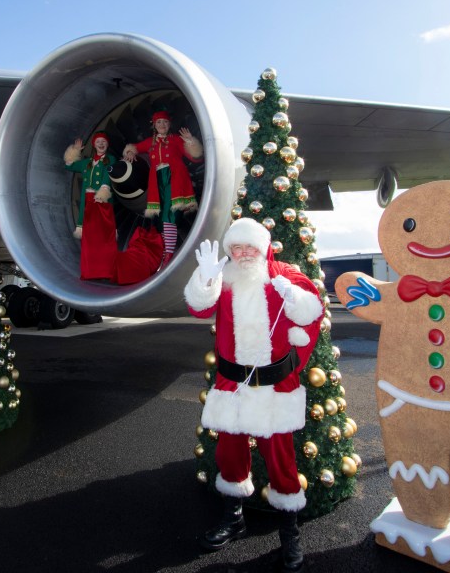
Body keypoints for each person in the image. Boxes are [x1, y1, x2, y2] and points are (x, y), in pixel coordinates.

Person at [183, 218, 325, 573]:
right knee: (229, 455)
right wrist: (205, 278)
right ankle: (233, 519)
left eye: (249, 248)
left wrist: (294, 299)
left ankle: (289, 533)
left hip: (274, 387)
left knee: (282, 460)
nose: (243, 254)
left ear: (263, 248)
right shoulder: (224, 279)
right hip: (233, 386)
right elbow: (198, 307)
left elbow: (311, 312)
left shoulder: (284, 275)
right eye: (237, 248)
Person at [122, 110, 202, 267]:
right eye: (159, 122)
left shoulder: (177, 140)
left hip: (175, 180)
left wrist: (190, 141)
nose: (162, 125)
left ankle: (168, 254)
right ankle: (166, 252)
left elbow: (196, 158)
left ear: (169, 124)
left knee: (169, 217)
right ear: (154, 125)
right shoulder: (150, 142)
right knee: (163, 219)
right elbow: (134, 147)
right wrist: (130, 152)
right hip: (158, 183)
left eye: (165, 122)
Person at [63, 132, 117, 280]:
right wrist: (75, 151)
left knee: (104, 239)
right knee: (89, 240)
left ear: (107, 144)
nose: (101, 144)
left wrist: (103, 193)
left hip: (101, 202)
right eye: (98, 141)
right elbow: (69, 165)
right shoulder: (87, 163)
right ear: (94, 144)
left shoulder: (110, 159)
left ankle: (107, 271)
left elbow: (107, 178)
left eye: (103, 141)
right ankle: (90, 272)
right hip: (87, 203)